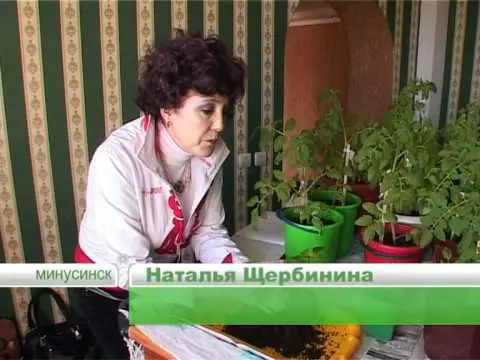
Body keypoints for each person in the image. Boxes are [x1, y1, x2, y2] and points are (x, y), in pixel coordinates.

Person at [74, 29, 249, 359]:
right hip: (108, 290)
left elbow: (208, 233)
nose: (220, 125)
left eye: (224, 111)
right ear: (167, 108)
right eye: (207, 109)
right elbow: (135, 270)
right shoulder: (116, 161)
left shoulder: (210, 154)